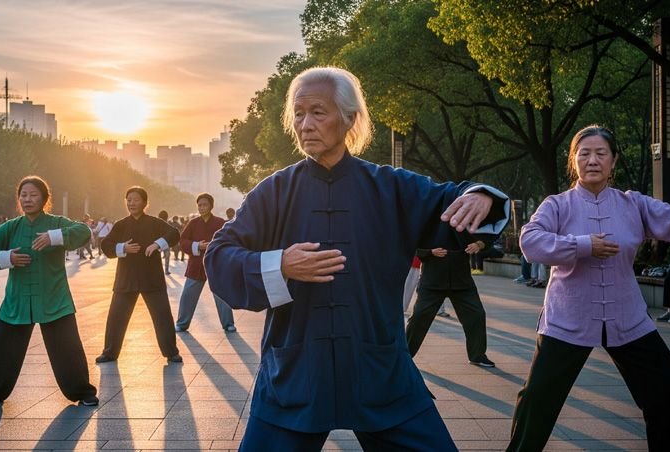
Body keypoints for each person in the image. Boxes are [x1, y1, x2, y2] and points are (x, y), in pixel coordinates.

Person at [205, 67, 508, 451]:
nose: (305, 124)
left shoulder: (391, 187)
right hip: (296, 373)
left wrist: (482, 197)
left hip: (379, 370)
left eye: (318, 111)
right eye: (298, 114)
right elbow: (219, 256)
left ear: (349, 118)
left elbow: (456, 199)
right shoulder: (274, 192)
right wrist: (280, 265)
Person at [507, 125, 670, 451]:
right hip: (568, 320)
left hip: (627, 318)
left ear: (613, 160)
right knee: (537, 400)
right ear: (573, 160)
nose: (592, 160)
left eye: (600, 153)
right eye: (584, 153)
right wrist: (582, 245)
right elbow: (531, 242)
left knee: (669, 389)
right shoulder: (557, 205)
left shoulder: (632, 204)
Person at [0, 175, 98, 407]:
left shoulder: (56, 222)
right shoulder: (11, 227)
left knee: (68, 348)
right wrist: (6, 257)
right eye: (23, 195)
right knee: (1, 346)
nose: (27, 199)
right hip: (18, 300)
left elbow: (83, 232)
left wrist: (54, 237)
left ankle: (83, 392)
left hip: (53, 298)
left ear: (44, 199)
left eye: (33, 195)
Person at [95, 187, 182, 364]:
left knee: (162, 316)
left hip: (152, 278)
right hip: (126, 279)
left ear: (144, 202)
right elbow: (106, 246)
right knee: (116, 317)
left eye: (135, 200)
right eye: (128, 200)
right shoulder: (121, 225)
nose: (131, 203)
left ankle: (171, 352)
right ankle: (109, 353)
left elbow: (174, 234)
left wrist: (157, 244)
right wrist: (122, 248)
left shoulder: (154, 223)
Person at [406, 231, 496, 367]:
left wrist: (478, 245)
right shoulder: (426, 219)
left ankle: (477, 355)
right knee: (419, 316)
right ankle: (405, 355)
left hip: (462, 280)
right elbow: (409, 245)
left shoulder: (466, 219)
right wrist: (429, 252)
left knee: (476, 315)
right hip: (432, 280)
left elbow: (488, 238)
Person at [175, 193, 236, 332]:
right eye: (199, 205)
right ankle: (182, 323)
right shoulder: (193, 223)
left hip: (216, 264)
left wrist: (214, 247)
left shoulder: (221, 223)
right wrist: (197, 245)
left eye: (205, 205)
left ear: (211, 206)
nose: (202, 208)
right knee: (188, 294)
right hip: (196, 264)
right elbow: (183, 241)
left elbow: (229, 240)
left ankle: (228, 324)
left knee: (222, 295)